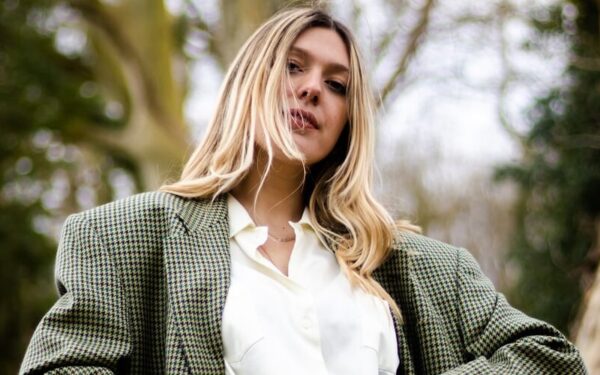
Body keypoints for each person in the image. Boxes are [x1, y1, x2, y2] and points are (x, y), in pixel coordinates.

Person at [20, 6, 587, 375]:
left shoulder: (415, 266)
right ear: (250, 83)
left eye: (336, 85)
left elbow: (552, 360)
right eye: (294, 67)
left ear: (348, 119)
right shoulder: (122, 238)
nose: (313, 89)